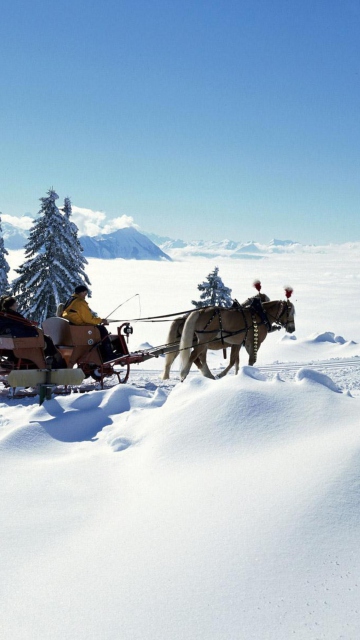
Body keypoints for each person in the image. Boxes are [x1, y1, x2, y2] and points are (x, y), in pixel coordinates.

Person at [0, 296, 67, 367]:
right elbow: (24, 324)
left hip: (12, 337)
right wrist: (34, 329)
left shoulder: (5, 315)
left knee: (46, 338)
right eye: (15, 304)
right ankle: (55, 358)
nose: (17, 305)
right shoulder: (12, 315)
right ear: (12, 306)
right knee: (46, 339)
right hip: (20, 337)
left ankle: (52, 357)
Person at [61, 285, 117, 362]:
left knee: (98, 328)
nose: (85, 296)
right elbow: (88, 319)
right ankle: (108, 354)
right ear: (80, 293)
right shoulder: (80, 302)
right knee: (102, 330)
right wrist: (101, 321)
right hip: (80, 327)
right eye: (85, 293)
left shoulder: (71, 300)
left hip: (73, 325)